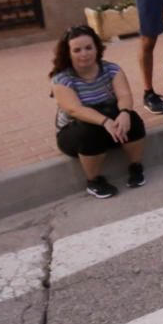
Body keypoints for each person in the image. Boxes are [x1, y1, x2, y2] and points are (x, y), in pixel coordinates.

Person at [50, 25, 146, 199]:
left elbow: (124, 95)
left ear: (97, 48)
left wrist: (124, 113)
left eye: (88, 48)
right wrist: (105, 122)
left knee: (133, 119)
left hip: (111, 128)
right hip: (77, 132)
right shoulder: (61, 79)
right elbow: (75, 109)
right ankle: (93, 181)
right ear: (68, 53)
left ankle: (136, 167)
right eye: (77, 50)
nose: (84, 54)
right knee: (89, 130)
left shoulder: (111, 69)